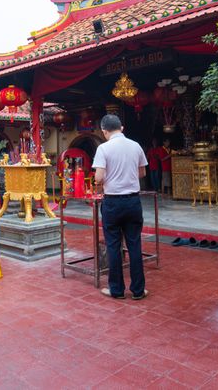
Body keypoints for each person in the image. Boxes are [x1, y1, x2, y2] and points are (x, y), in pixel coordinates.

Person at [92, 114, 149, 300]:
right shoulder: (136, 146)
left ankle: (116, 290)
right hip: (133, 201)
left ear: (104, 131)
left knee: (113, 245)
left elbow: (98, 178)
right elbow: (142, 172)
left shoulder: (103, 148)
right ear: (122, 128)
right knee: (134, 244)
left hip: (113, 202)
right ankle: (138, 290)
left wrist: (107, 179)